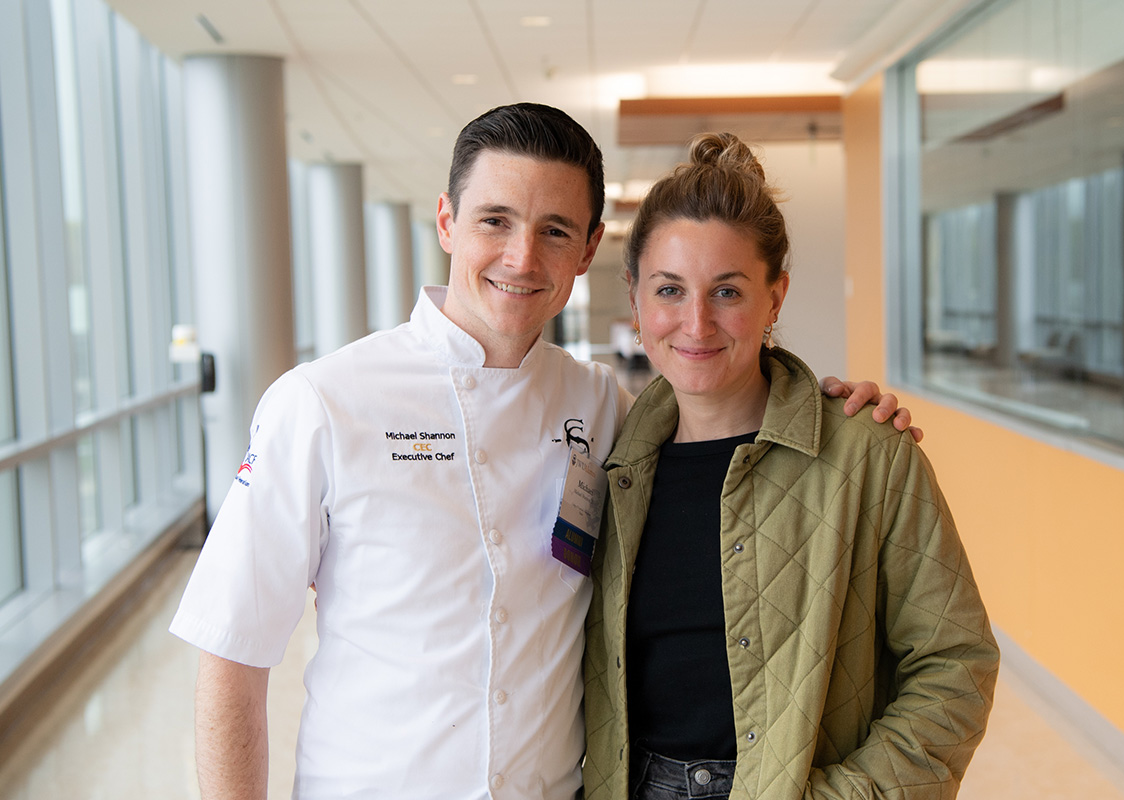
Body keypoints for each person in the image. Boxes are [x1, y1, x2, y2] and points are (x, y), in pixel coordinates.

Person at [170, 104, 916, 800]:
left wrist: (836, 407)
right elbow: (232, 658)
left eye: (556, 230)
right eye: (495, 220)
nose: (522, 258)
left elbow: (721, 411)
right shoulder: (324, 403)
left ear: (590, 248)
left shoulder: (605, 406)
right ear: (446, 220)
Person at [582, 133, 999, 800]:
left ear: (774, 298)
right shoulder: (605, 457)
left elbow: (956, 665)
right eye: (669, 289)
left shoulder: (869, 453)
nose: (696, 323)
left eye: (728, 291)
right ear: (634, 298)